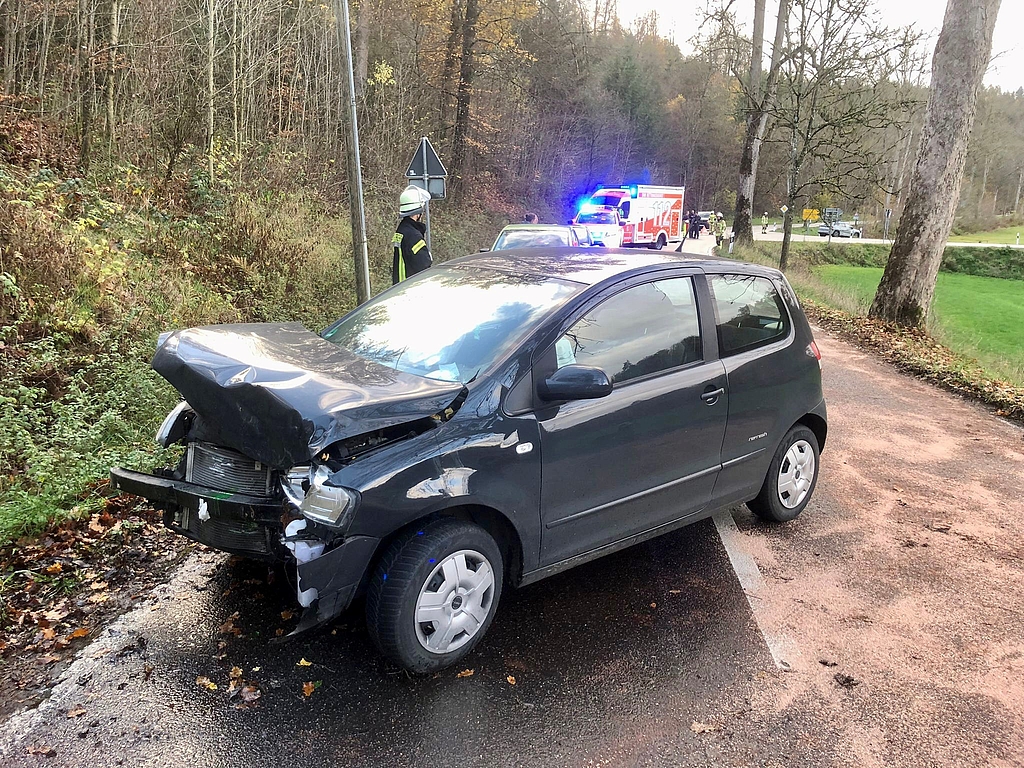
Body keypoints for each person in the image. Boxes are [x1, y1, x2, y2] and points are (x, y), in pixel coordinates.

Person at [393, 185, 433, 285]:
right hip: (409, 286)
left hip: (399, 285)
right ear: (418, 212)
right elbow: (424, 265)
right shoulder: (414, 236)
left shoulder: (401, 229)